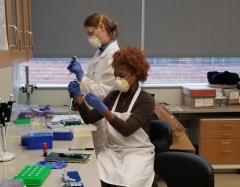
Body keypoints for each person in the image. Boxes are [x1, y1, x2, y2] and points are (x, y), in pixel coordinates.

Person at [68, 45, 155, 187]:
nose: (117, 80)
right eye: (115, 75)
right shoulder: (114, 96)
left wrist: (102, 109)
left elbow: (127, 129)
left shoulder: (146, 100)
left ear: (136, 74)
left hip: (137, 153)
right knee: (95, 178)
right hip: (112, 151)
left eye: (122, 76)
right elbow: (90, 118)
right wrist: (78, 97)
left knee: (128, 182)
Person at [67, 13, 120, 155]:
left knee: (99, 161)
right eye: (88, 34)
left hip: (102, 118)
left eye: (91, 32)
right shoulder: (100, 52)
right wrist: (81, 76)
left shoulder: (114, 55)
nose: (90, 37)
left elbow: (104, 92)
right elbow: (94, 80)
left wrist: (81, 78)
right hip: (92, 115)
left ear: (102, 27)